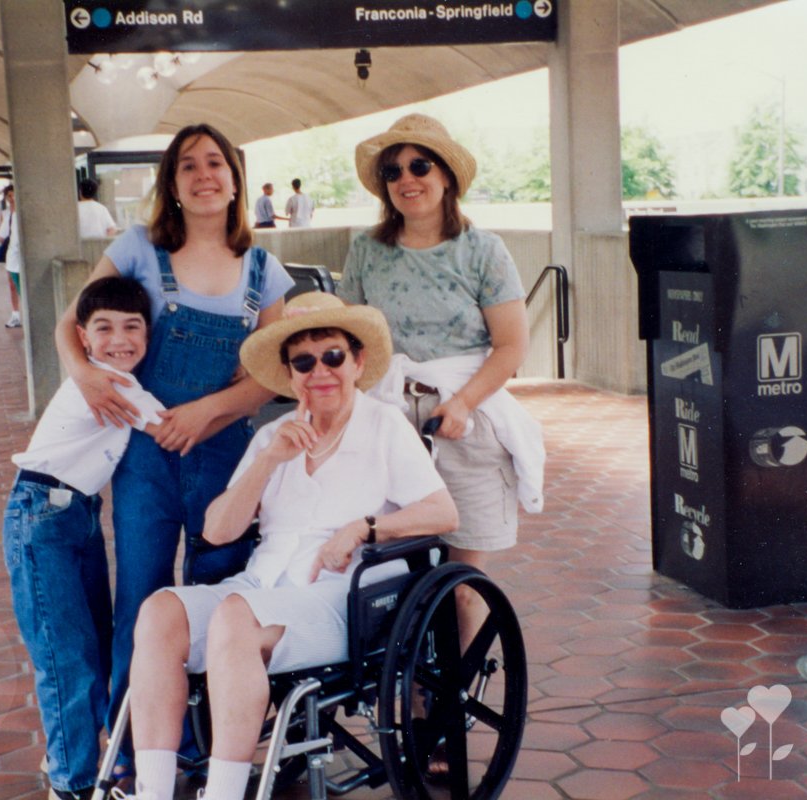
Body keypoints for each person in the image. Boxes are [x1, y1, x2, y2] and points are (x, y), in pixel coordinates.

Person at [125, 292, 458, 800]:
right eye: (303, 361)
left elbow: (443, 513)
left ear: (358, 361)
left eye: (332, 356)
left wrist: (364, 528)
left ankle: (224, 792)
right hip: (262, 586)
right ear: (289, 373)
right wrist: (268, 461)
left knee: (236, 617)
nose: (319, 370)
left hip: (346, 595)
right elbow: (218, 531)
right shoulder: (275, 434)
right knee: (159, 612)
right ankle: (151, 791)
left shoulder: (383, 424)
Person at [54, 122, 294, 784]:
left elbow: (271, 376)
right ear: (172, 184)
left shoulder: (263, 269)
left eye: (215, 162)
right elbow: (68, 323)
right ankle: (136, 751)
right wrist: (85, 373)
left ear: (235, 178)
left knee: (222, 598)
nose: (203, 174)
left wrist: (208, 412)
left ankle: (218, 743)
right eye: (187, 165)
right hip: (145, 460)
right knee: (142, 595)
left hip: (226, 458)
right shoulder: (137, 248)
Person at [339, 113, 545, 651]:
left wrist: (461, 404)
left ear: (447, 174)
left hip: (463, 420)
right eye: (393, 170)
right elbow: (351, 337)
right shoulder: (366, 250)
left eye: (420, 165)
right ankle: (408, 687)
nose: (407, 178)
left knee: (459, 582)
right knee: (392, 572)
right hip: (387, 419)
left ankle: (451, 695)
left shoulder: (483, 250)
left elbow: (511, 346)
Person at [4, 276, 165, 800]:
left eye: (132, 327)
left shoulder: (112, 378)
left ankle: (82, 762)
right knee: (66, 657)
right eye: (104, 328)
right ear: (83, 336)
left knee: (89, 649)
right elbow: (171, 429)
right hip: (41, 518)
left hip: (75, 514)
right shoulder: (108, 382)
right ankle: (70, 784)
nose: (119, 339)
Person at [0, 185, 22, 328]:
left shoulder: (19, 213)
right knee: (13, 285)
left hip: (17, 255)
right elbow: (1, 235)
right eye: (9, 196)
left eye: (13, 195)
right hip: (12, 255)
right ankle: (16, 314)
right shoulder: (6, 213)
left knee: (19, 286)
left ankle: (20, 314)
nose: (11, 199)